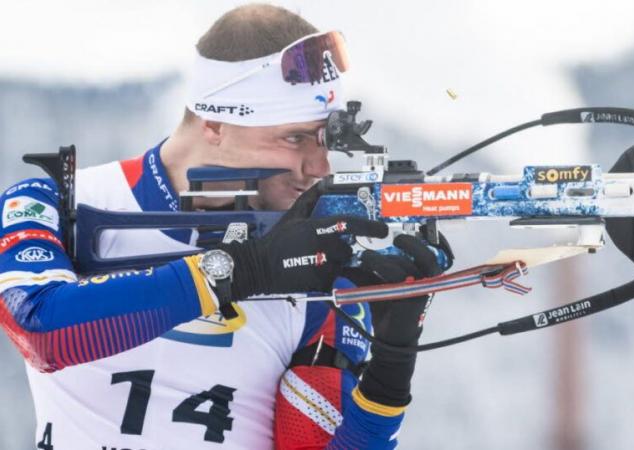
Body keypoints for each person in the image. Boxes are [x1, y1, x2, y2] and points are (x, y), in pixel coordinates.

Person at [0, 4, 450, 449]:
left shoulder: (321, 260)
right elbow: (41, 328)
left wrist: (391, 366)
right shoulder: (55, 202)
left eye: (325, 140)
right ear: (215, 122)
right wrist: (244, 270)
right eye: (293, 138)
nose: (319, 166)